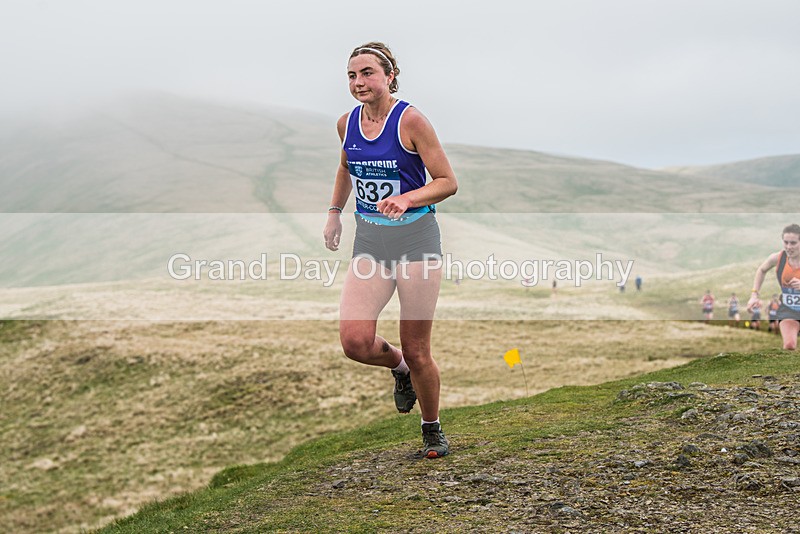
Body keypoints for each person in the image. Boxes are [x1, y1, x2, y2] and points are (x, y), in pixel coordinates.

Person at [323, 42, 458, 458]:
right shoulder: (347, 124)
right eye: (351, 75)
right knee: (355, 341)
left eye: (367, 73)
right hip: (371, 241)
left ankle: (432, 428)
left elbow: (447, 181)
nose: (358, 82)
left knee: (418, 349)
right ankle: (398, 369)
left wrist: (408, 198)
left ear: (389, 76)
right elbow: (346, 168)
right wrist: (334, 213)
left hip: (416, 240)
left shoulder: (411, 121)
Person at [747, 224, 800, 350]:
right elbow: (761, 270)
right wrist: (754, 295)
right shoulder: (778, 258)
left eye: (793, 243)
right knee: (789, 345)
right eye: (786, 242)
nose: (789, 247)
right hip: (789, 310)